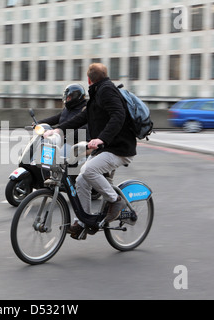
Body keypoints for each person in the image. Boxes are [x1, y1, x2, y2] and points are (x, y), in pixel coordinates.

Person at [44, 63, 137, 240]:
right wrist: (58, 130)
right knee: (81, 179)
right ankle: (83, 221)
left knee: (88, 170)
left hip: (119, 148)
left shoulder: (107, 91)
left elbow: (119, 115)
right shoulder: (96, 93)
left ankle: (116, 201)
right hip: (106, 148)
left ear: (89, 79)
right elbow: (81, 118)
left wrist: (102, 138)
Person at [38, 83, 89, 148]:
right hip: (61, 139)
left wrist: (65, 134)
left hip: (75, 142)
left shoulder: (84, 110)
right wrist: (39, 123)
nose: (66, 99)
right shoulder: (67, 109)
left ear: (76, 97)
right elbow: (56, 118)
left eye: (69, 98)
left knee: (61, 153)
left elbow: (83, 128)